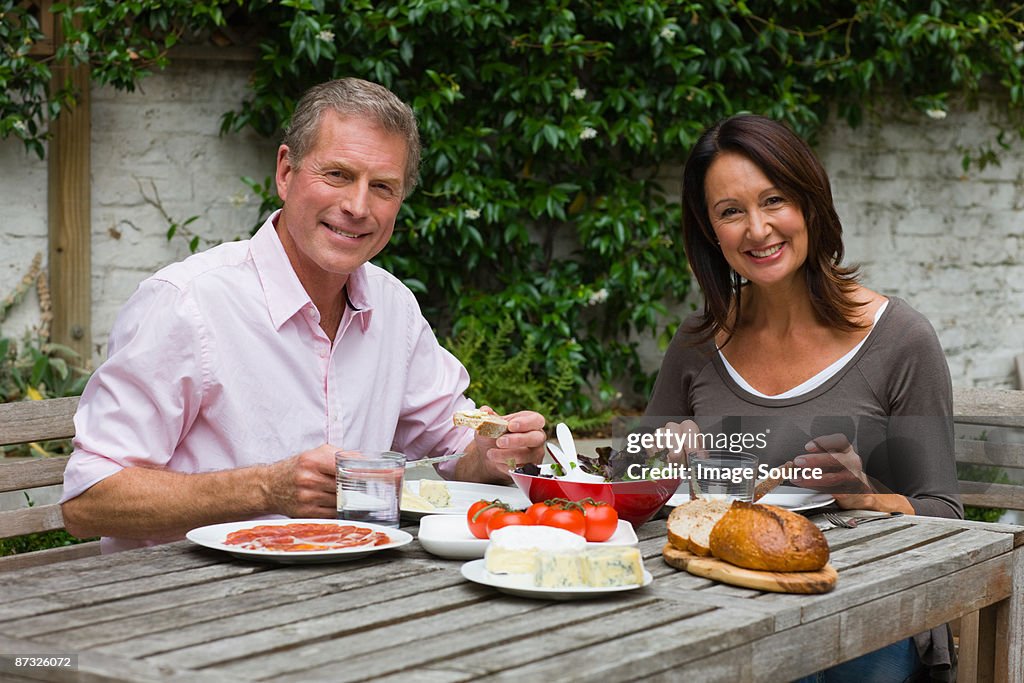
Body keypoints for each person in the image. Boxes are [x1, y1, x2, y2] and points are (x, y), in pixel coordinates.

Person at [60, 78, 546, 552]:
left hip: (353, 587)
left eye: (382, 186)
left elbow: (454, 448)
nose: (358, 206)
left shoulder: (393, 306)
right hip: (188, 602)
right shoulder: (188, 303)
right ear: (286, 172)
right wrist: (266, 489)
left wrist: (490, 455)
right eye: (337, 175)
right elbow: (88, 501)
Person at [646, 114, 960, 682]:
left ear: (810, 203)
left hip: (866, 613)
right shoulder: (698, 341)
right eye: (731, 211)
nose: (758, 229)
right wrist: (661, 453)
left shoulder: (899, 338)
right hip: (720, 604)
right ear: (710, 230)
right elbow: (629, 478)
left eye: (775, 200)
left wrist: (864, 496)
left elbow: (944, 512)